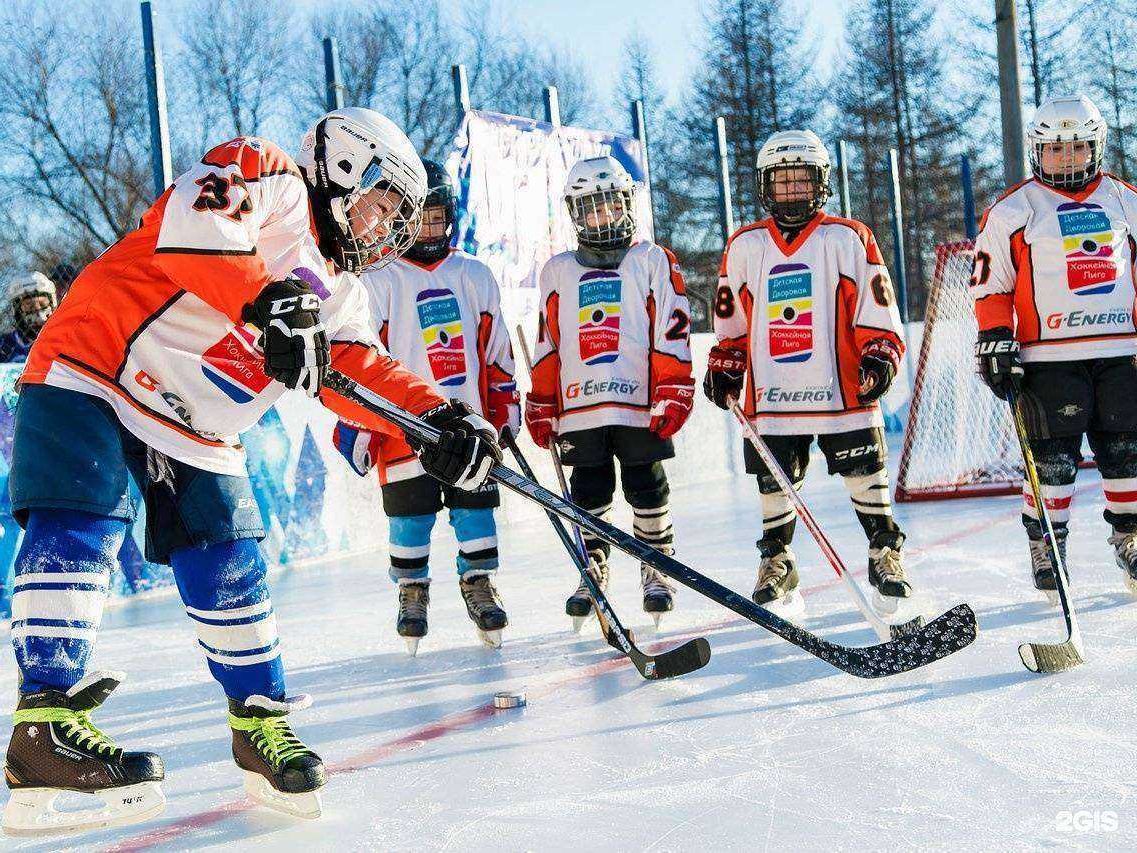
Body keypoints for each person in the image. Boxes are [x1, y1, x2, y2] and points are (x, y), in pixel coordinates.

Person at [0, 108, 501, 835]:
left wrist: (438, 422)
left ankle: (258, 723)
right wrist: (268, 299)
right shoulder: (268, 175)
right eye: (381, 203)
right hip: (99, 361)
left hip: (196, 423)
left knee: (231, 554)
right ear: (344, 169)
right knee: (82, 517)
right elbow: (195, 229)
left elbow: (356, 369)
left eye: (398, 215)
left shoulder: (345, 294)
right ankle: (41, 724)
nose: (386, 226)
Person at [703, 130, 911, 617]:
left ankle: (885, 552)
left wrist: (880, 353)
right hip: (772, 393)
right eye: (782, 182)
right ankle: (778, 558)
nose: (792, 192)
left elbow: (875, 307)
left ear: (821, 183)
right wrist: (727, 364)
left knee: (865, 470)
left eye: (802, 181)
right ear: (765, 186)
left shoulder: (847, 236)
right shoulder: (744, 245)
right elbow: (730, 324)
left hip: (843, 387)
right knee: (774, 482)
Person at [339, 160, 519, 654]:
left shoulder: (474, 275)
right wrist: (356, 424)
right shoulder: (376, 280)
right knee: (409, 517)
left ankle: (479, 582)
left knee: (476, 510)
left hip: (469, 426)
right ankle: (411, 591)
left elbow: (495, 350)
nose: (427, 229)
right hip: (403, 431)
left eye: (436, 217)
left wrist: (503, 409)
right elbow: (359, 355)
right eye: (416, 218)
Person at [970, 94, 1137, 599]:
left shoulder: (1126, 200)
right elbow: (991, 284)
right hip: (1047, 357)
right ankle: (1048, 543)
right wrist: (995, 338)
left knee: (1126, 453)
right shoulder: (1013, 210)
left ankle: (1131, 539)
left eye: (1078, 147)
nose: (1068, 158)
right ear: (1038, 151)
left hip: (1119, 351)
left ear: (1097, 147)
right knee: (1052, 461)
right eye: (1056, 149)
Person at [526, 154, 694, 631]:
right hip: (580, 405)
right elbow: (548, 340)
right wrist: (541, 399)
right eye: (590, 208)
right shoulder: (557, 271)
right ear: (575, 214)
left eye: (609, 206)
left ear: (627, 205)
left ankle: (656, 566)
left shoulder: (652, 259)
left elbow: (672, 328)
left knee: (645, 481)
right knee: (589, 488)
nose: (601, 217)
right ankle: (591, 565)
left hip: (639, 401)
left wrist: (674, 387)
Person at [0, 272, 59, 363]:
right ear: (18, 310)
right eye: (29, 306)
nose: (38, 312)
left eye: (42, 304)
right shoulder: (3, 345)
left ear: (52, 304)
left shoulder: (61, 341)